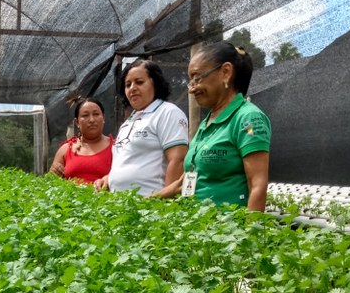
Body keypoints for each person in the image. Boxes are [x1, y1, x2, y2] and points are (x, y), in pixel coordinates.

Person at [156, 42, 271, 211]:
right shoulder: (206, 123)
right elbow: (189, 181)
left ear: (225, 72)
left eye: (197, 77)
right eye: (190, 80)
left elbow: (258, 185)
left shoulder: (248, 119)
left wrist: (250, 234)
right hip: (195, 228)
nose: (191, 88)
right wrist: (151, 199)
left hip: (227, 231)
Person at [94, 59, 189, 196]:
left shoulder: (167, 112)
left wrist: (168, 204)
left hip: (152, 206)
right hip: (122, 206)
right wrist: (108, 179)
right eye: (128, 84)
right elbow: (128, 161)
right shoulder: (128, 122)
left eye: (139, 82)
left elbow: (178, 160)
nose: (132, 88)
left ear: (155, 84)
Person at [48, 98, 113, 184]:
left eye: (96, 114)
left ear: (103, 118)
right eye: (85, 115)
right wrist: (53, 172)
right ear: (77, 122)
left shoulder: (116, 148)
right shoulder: (65, 149)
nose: (92, 120)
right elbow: (51, 183)